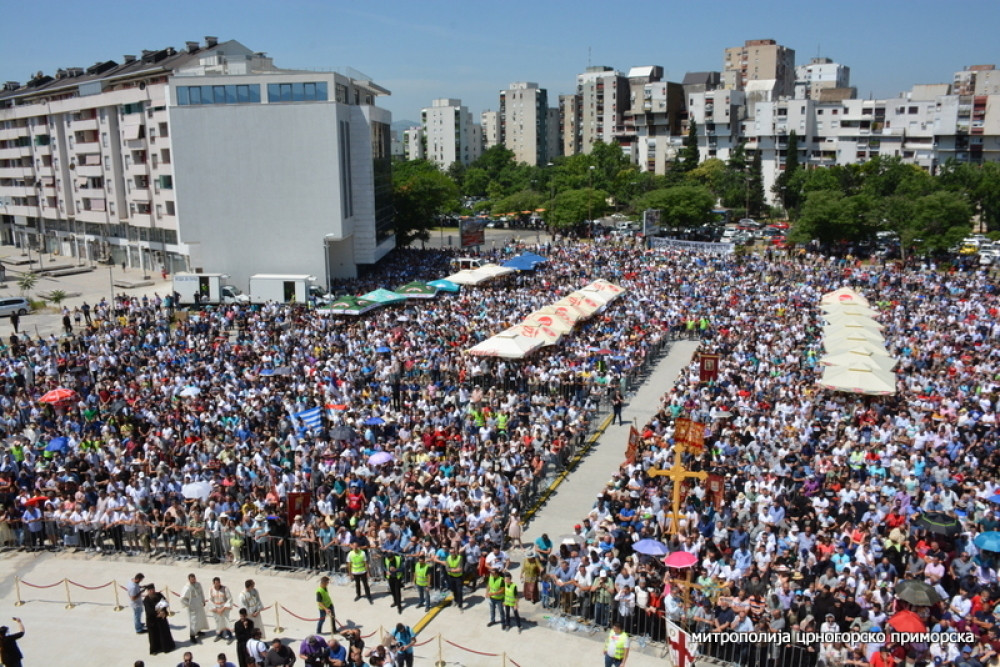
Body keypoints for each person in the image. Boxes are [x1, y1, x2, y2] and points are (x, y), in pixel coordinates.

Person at [143, 583, 177, 655]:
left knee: (164, 633)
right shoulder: (146, 600)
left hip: (161, 619)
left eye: (153, 590)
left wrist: (163, 611)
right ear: (148, 591)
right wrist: (158, 614)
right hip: (152, 620)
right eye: (150, 590)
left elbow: (164, 602)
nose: (152, 591)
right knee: (153, 636)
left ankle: (166, 647)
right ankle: (154, 650)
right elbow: (149, 611)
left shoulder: (158, 595)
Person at [181, 572, 210, 644]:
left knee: (200, 618)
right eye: (192, 579)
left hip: (199, 605)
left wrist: (203, 601)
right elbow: (182, 598)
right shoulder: (187, 587)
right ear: (189, 579)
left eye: (194, 579)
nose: (194, 580)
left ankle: (198, 631)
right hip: (192, 607)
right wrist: (188, 605)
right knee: (193, 621)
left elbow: (201, 593)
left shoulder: (198, 584)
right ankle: (192, 636)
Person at [209, 576, 235, 641]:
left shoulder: (225, 589)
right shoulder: (211, 590)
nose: (217, 584)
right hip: (216, 609)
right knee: (218, 622)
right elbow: (210, 600)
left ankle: (230, 636)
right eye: (216, 583)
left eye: (218, 583)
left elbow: (229, 598)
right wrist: (216, 609)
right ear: (213, 583)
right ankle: (219, 635)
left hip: (224, 608)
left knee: (226, 622)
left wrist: (223, 608)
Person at [445, 545, 465, 611]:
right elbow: (447, 568)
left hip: (458, 577)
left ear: (455, 552)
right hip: (451, 576)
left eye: (453, 552)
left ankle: (460, 604)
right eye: (451, 552)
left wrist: (452, 569)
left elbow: (460, 568)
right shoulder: (448, 558)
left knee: (459, 591)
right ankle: (456, 600)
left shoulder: (460, 558)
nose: (452, 553)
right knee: (453, 590)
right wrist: (454, 570)